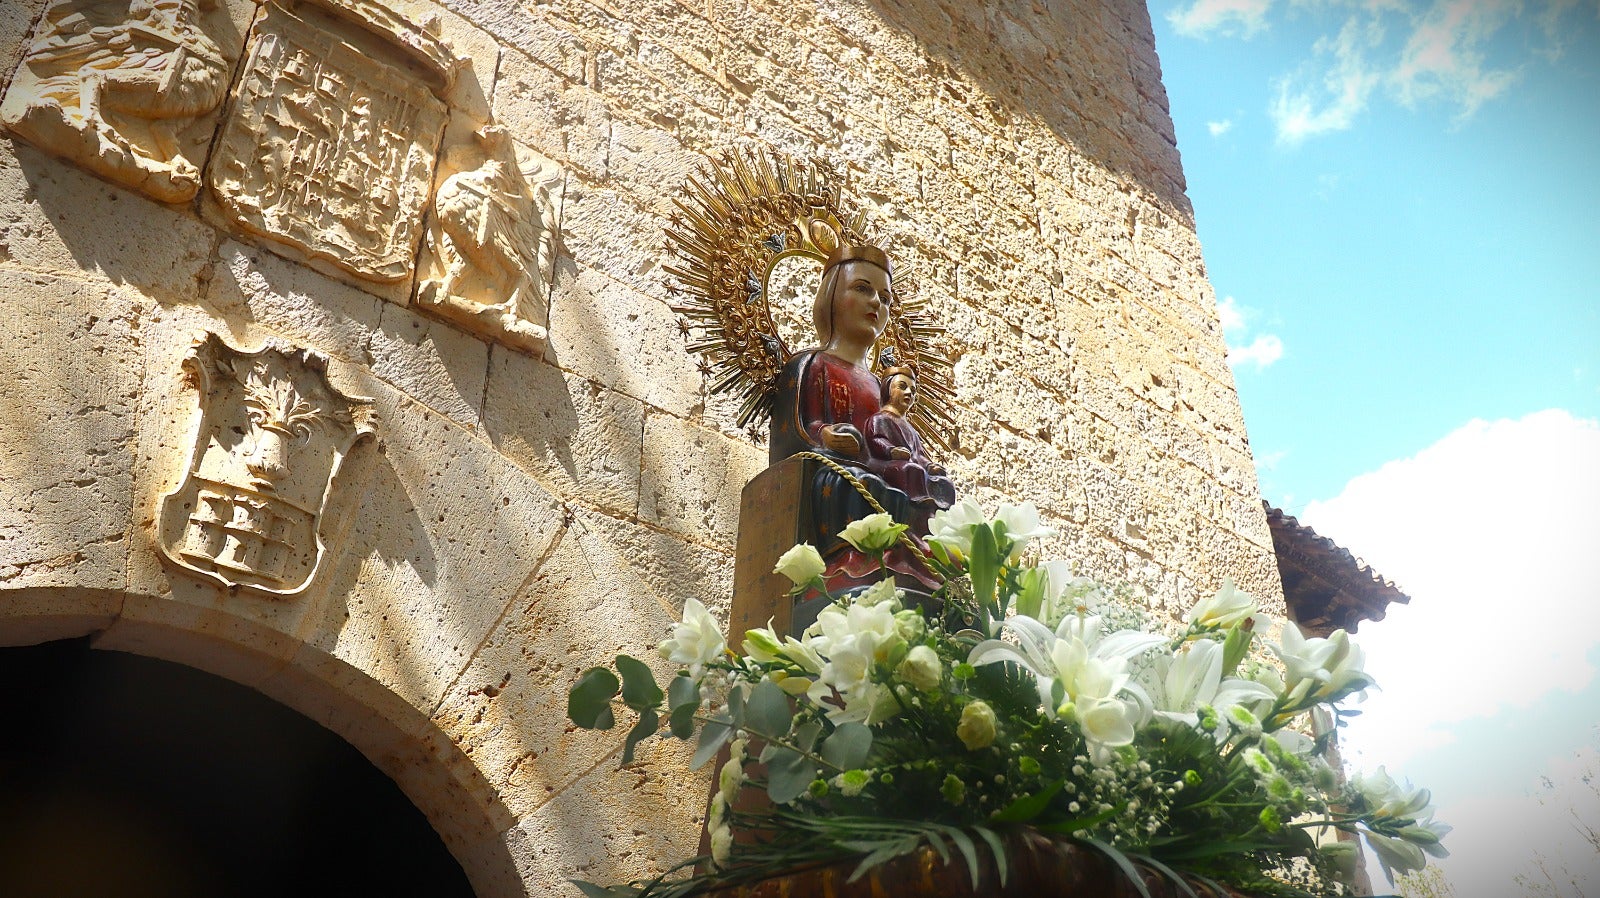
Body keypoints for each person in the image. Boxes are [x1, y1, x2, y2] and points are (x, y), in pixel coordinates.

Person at [769, 243, 940, 595]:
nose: (876, 302)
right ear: (831, 296)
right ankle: (858, 557)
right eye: (862, 289)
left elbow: (890, 439)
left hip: (885, 475)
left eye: (885, 297)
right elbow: (793, 436)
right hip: (836, 475)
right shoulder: (808, 366)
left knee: (928, 488)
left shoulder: (882, 389)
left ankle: (913, 557)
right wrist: (827, 436)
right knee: (853, 483)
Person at [866, 366, 956, 535]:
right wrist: (891, 451)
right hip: (885, 464)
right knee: (911, 470)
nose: (909, 393)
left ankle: (936, 519)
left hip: (912, 468)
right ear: (887, 389)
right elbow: (876, 439)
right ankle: (916, 516)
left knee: (944, 483)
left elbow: (918, 454)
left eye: (913, 390)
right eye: (902, 386)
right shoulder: (880, 418)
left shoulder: (911, 430)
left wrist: (930, 465)